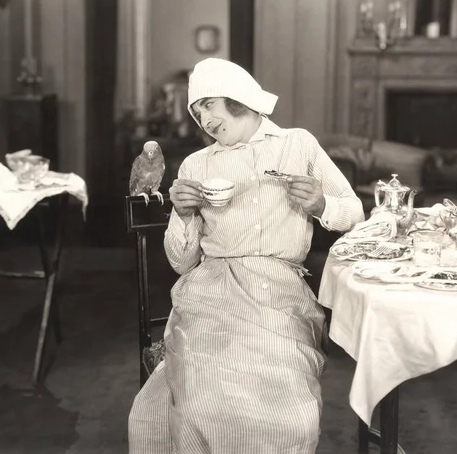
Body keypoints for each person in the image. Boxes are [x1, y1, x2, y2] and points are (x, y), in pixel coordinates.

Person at [128, 58, 364, 453]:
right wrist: (184, 216)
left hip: (280, 293)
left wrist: (322, 205)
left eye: (208, 104)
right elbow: (180, 264)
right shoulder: (196, 164)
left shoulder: (297, 144)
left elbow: (354, 212)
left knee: (290, 415)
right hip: (210, 292)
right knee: (198, 398)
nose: (203, 119)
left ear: (237, 95)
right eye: (196, 111)